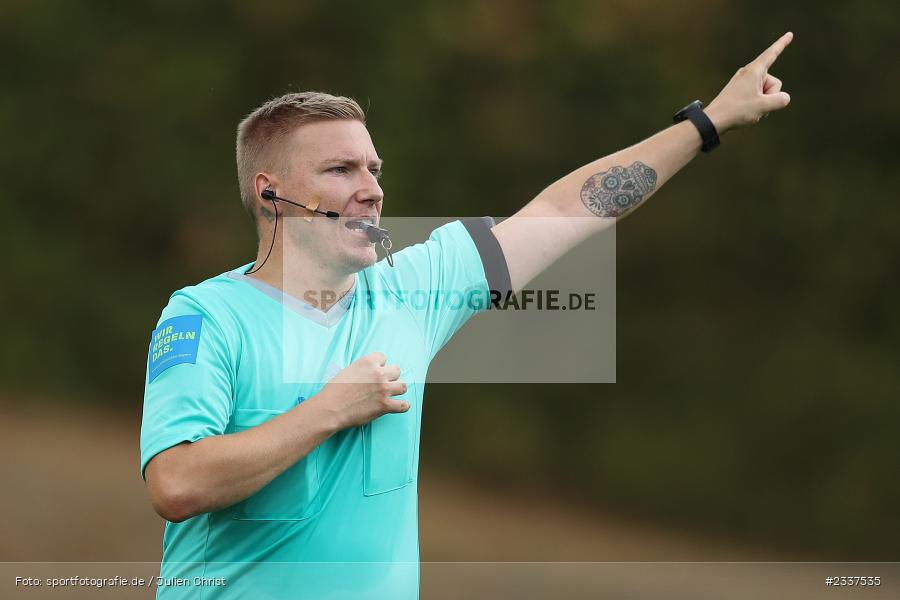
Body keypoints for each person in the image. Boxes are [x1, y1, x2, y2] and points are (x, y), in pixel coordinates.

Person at [140, 32, 794, 599]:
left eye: (374, 167)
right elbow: (176, 483)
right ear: (271, 193)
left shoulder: (414, 287)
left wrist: (708, 123)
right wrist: (330, 409)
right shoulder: (204, 318)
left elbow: (567, 211)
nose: (372, 188)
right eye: (341, 169)